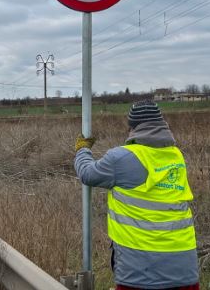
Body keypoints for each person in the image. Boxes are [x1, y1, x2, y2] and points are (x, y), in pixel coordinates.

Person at [74, 100, 199, 290]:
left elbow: (87, 174)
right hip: (184, 267)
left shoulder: (121, 158)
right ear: (162, 126)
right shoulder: (175, 155)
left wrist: (82, 149)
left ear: (132, 128)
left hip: (140, 272)